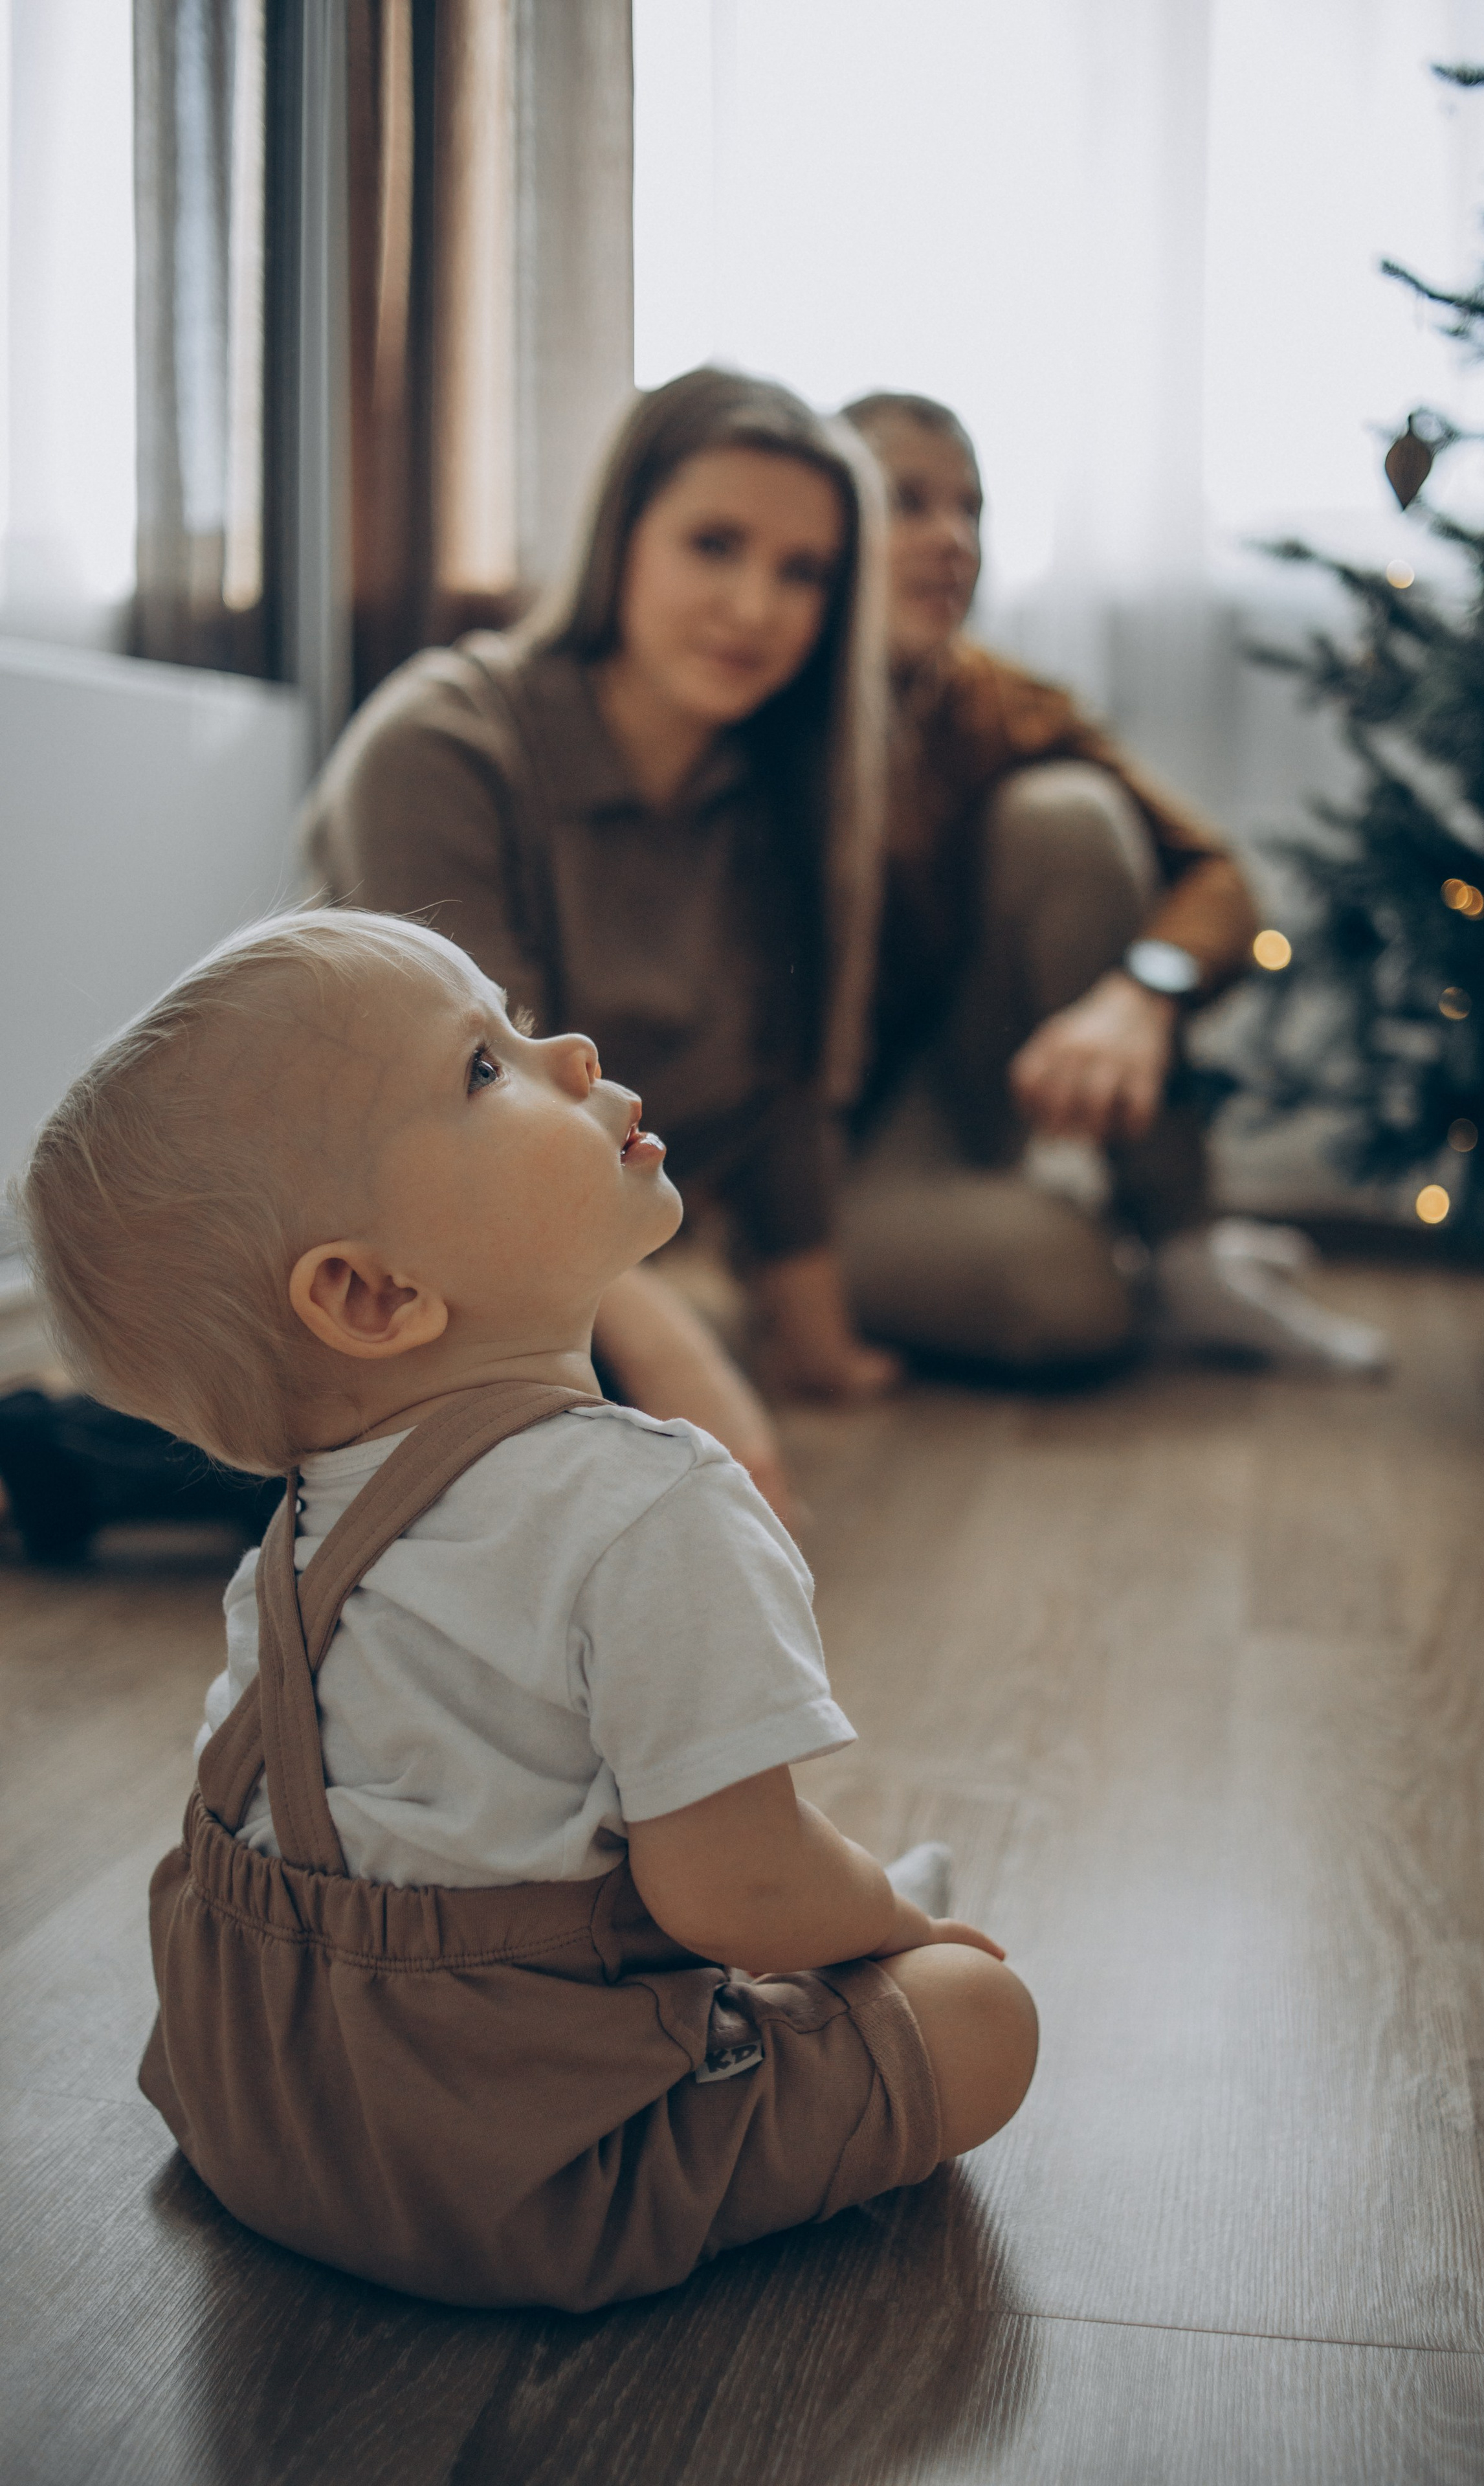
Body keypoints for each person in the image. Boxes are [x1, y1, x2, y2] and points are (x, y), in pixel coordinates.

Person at [17, 910, 1037, 2311]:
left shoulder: (311, 1522)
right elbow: (729, 1885)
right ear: (374, 1293)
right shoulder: (650, 1502)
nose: (565, 1050)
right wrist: (888, 1932)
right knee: (981, 2019)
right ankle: (845, 1987)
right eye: (484, 1070)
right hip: (525, 2171)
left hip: (260, 2104)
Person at [303, 370, 902, 1528]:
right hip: (391, 1237)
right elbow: (470, 1117)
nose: (755, 606)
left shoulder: (786, 798)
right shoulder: (439, 742)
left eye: (804, 574)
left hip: (602, 1270)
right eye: (714, 544)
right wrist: (684, 1363)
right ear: (622, 537)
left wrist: (818, 1345)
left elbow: (786, 1098)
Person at [837, 391, 1389, 1376]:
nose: (951, 540)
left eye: (970, 510)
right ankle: (1116, 1251)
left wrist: (1143, 995)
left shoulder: (997, 702)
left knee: (1072, 815)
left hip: (944, 1091)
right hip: (804, 1154)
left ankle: (1183, 1244)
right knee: (1069, 1302)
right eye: (906, 504)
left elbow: (1218, 880)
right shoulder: (756, 704)